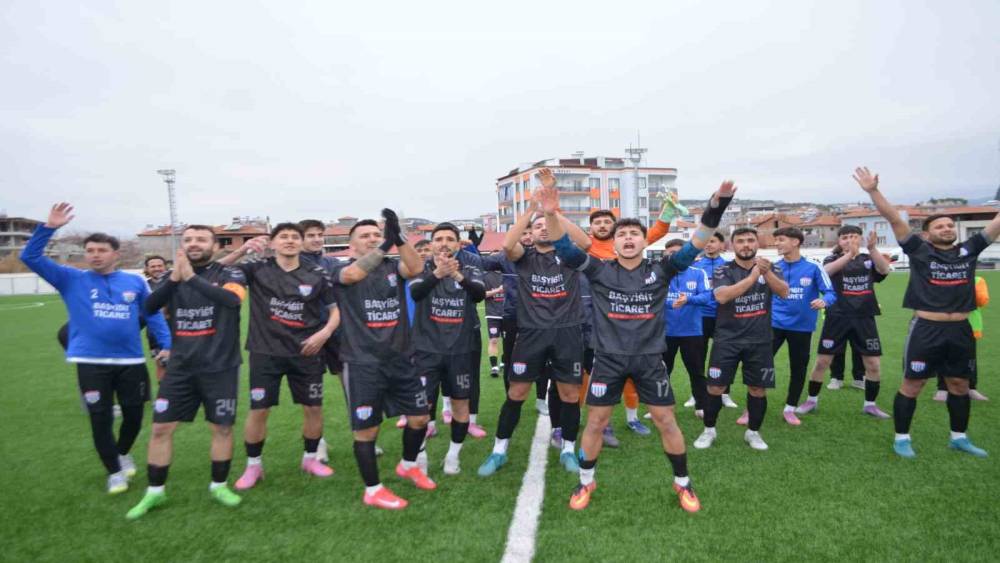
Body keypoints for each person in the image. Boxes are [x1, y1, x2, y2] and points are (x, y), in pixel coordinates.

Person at [551, 181, 735, 511]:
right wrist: (551, 213)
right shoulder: (598, 269)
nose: (628, 238)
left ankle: (683, 483)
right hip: (608, 360)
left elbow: (698, 241)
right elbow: (564, 249)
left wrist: (716, 207)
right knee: (595, 422)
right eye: (622, 234)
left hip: (650, 360)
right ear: (614, 242)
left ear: (644, 240)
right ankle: (585, 480)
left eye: (634, 233)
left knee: (666, 420)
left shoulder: (662, 269)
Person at [20, 202, 171, 495]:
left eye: (102, 250)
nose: (95, 255)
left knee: (134, 417)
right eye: (90, 250)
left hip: (131, 362)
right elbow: (30, 256)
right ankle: (114, 472)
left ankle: (122, 453)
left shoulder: (134, 282)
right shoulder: (70, 278)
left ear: (115, 254)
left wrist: (167, 344)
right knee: (100, 418)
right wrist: (48, 228)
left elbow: (152, 314)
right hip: (90, 362)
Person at [853, 166, 999, 458]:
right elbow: (894, 218)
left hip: (961, 330)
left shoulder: (969, 250)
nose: (946, 229)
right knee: (913, 383)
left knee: (959, 384)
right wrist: (873, 191)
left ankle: (959, 437)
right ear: (927, 234)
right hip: (926, 329)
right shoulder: (920, 250)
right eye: (939, 226)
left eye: (949, 225)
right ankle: (902, 438)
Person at [126, 226, 247, 519]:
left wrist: (191, 278)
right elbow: (149, 308)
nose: (194, 244)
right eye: (188, 239)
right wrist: (175, 280)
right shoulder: (171, 277)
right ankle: (155, 492)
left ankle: (219, 486)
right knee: (161, 428)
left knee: (221, 428)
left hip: (220, 367)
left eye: (201, 239)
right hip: (180, 368)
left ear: (215, 246)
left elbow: (232, 301)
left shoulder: (231, 274)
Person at [477, 168, 592, 477]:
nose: (542, 229)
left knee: (570, 395)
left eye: (546, 226)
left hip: (568, 333)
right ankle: (499, 451)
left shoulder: (569, 257)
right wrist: (531, 209)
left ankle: (568, 449)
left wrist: (553, 212)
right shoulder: (524, 257)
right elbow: (507, 245)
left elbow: (586, 242)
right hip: (531, 335)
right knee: (516, 393)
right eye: (537, 226)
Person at [332, 210, 433, 509]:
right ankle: (373, 489)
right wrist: (385, 244)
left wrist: (398, 237)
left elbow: (416, 268)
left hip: (400, 358)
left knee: (420, 418)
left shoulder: (392, 266)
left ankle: (408, 465)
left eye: (376, 234)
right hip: (362, 362)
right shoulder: (339, 268)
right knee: (367, 430)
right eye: (365, 236)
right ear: (351, 245)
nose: (372, 239)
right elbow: (354, 275)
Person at [231, 222, 340, 490]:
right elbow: (215, 269)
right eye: (283, 237)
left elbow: (335, 310)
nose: (290, 241)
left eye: (294, 237)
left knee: (313, 408)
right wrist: (242, 250)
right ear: (272, 243)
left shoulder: (316, 273)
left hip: (307, 352)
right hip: (265, 352)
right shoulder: (256, 268)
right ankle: (253, 466)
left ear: (301, 243)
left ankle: (310, 459)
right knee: (259, 410)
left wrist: (324, 334)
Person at [693, 227, 789, 451]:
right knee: (715, 387)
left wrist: (766, 273)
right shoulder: (723, 269)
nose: (746, 245)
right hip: (727, 339)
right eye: (741, 241)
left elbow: (784, 292)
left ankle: (753, 432)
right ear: (732, 245)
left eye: (750, 240)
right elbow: (722, 296)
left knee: (758, 389)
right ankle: (709, 430)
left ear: (758, 243)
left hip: (759, 340)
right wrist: (754, 276)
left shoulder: (771, 268)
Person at [582, 206, 674, 441]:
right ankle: (603, 424)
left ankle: (632, 418)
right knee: (592, 375)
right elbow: (565, 241)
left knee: (631, 379)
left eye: (607, 221)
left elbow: (653, 233)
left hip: (633, 322)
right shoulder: (585, 245)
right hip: (597, 320)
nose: (602, 225)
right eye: (597, 222)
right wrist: (554, 213)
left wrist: (666, 215)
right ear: (590, 228)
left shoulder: (629, 241)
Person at [409, 223, 487, 475]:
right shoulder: (420, 267)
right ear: (432, 244)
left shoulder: (470, 267)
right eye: (439, 239)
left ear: (458, 244)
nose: (444, 243)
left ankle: (453, 456)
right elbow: (416, 293)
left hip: (460, 350)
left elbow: (479, 294)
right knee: (420, 410)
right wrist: (438, 274)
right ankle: (420, 456)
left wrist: (456, 275)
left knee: (460, 406)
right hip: (426, 350)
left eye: (450, 239)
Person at [797, 225, 891, 419]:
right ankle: (811, 401)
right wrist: (849, 255)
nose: (849, 240)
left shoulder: (868, 259)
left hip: (864, 317)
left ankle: (870, 405)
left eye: (854, 236)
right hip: (837, 317)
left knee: (873, 364)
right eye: (845, 237)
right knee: (822, 362)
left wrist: (872, 249)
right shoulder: (832, 259)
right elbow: (826, 272)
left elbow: (884, 270)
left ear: (860, 239)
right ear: (839, 241)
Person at [769, 227, 836, 426]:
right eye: (776, 240)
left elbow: (830, 293)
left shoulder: (813, 267)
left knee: (798, 368)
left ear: (795, 242)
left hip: (801, 328)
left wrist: (824, 301)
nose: (776, 243)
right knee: (760, 363)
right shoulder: (773, 267)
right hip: (774, 324)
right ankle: (752, 406)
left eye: (781, 239)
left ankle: (790, 408)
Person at [662, 239, 713, 419]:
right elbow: (652, 298)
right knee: (662, 372)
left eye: (678, 252)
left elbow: (707, 296)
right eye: (670, 252)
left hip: (691, 332)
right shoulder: (660, 274)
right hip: (665, 333)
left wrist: (688, 299)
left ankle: (701, 405)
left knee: (696, 372)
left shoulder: (698, 273)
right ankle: (662, 407)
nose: (674, 256)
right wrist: (670, 303)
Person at [690, 232, 739, 409]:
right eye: (706, 242)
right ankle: (696, 394)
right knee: (698, 357)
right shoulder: (696, 265)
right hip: (701, 316)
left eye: (712, 241)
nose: (708, 245)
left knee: (725, 356)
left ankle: (725, 393)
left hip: (723, 316)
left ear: (721, 244)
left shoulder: (728, 266)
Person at [934, 275, 989, 401]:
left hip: (970, 326)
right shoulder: (942, 278)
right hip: (944, 324)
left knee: (969, 359)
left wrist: (964, 287)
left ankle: (971, 388)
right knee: (944, 356)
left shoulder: (977, 280)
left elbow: (982, 300)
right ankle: (942, 389)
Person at [144, 255, 170, 382]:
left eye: (160, 266)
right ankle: (163, 392)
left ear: (165, 267)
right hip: (155, 333)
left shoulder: (173, 282)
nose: (157, 268)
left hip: (177, 329)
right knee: (161, 363)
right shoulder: (144, 285)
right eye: (153, 266)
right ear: (147, 269)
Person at [484, 269, 505, 377]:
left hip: (508, 314)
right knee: (493, 340)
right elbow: (482, 294)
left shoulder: (509, 273)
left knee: (510, 340)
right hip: (493, 314)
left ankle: (504, 362)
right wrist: (498, 290)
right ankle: (494, 367)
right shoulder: (486, 276)